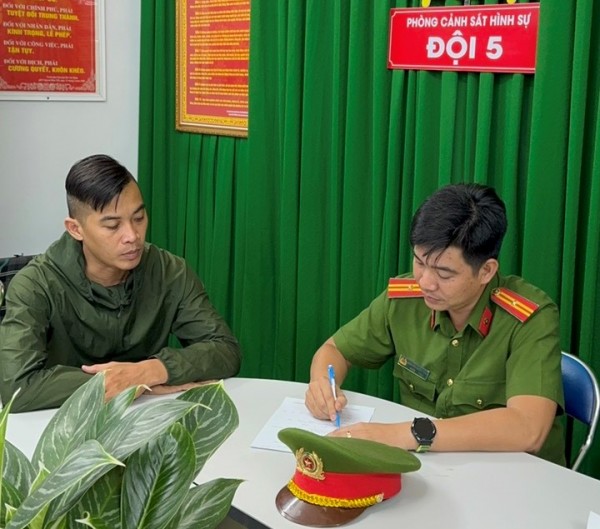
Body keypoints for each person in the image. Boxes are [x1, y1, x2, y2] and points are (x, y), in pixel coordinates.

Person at [305, 183, 565, 465]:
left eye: (444, 273)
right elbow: (334, 350)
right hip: (431, 467)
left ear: (486, 271)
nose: (425, 282)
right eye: (420, 262)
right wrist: (322, 386)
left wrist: (406, 434)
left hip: (511, 474)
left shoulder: (530, 318)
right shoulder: (405, 299)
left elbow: (528, 428)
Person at [0, 154, 241, 412]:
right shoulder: (34, 285)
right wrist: (122, 383)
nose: (132, 236)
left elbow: (225, 350)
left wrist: (149, 372)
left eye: (139, 218)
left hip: (148, 416)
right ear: (75, 229)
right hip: (59, 423)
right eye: (113, 226)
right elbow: (17, 388)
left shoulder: (169, 271)